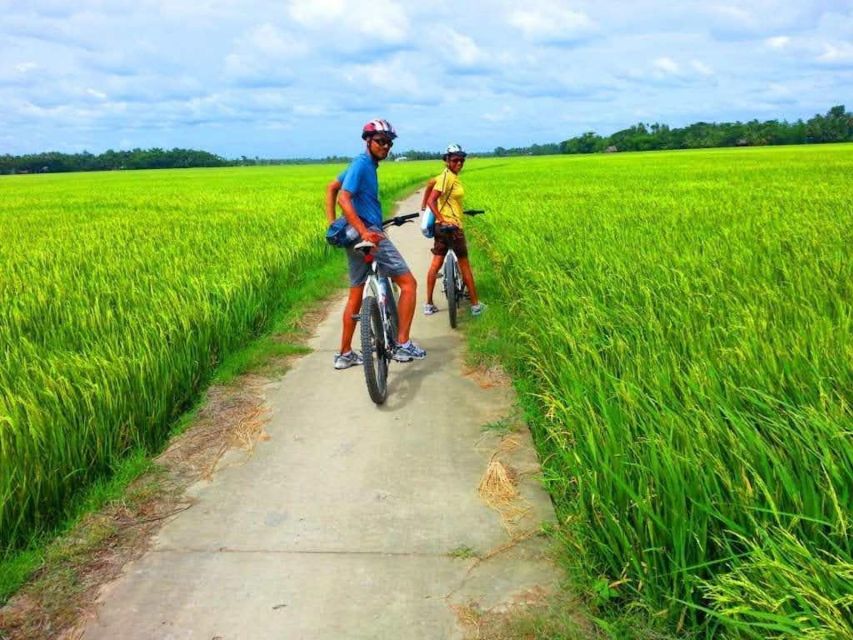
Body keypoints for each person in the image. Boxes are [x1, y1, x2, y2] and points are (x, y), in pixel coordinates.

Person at [325, 118, 426, 370]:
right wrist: (365, 231)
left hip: (353, 237)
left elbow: (331, 188)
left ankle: (345, 354)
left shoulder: (360, 165)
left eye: (389, 143)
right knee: (408, 284)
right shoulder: (361, 164)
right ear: (368, 141)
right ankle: (402, 343)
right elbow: (343, 199)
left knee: (356, 295)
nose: (386, 147)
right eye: (381, 141)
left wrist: (334, 225)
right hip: (368, 233)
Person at [422, 144, 484, 316]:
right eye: (455, 160)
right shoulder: (447, 178)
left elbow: (429, 186)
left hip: (441, 229)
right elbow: (432, 200)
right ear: (447, 160)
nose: (459, 163)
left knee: (436, 264)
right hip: (452, 227)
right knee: (464, 264)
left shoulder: (444, 177)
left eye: (461, 160)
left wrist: (424, 208)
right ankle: (475, 306)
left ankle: (428, 304)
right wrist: (442, 218)